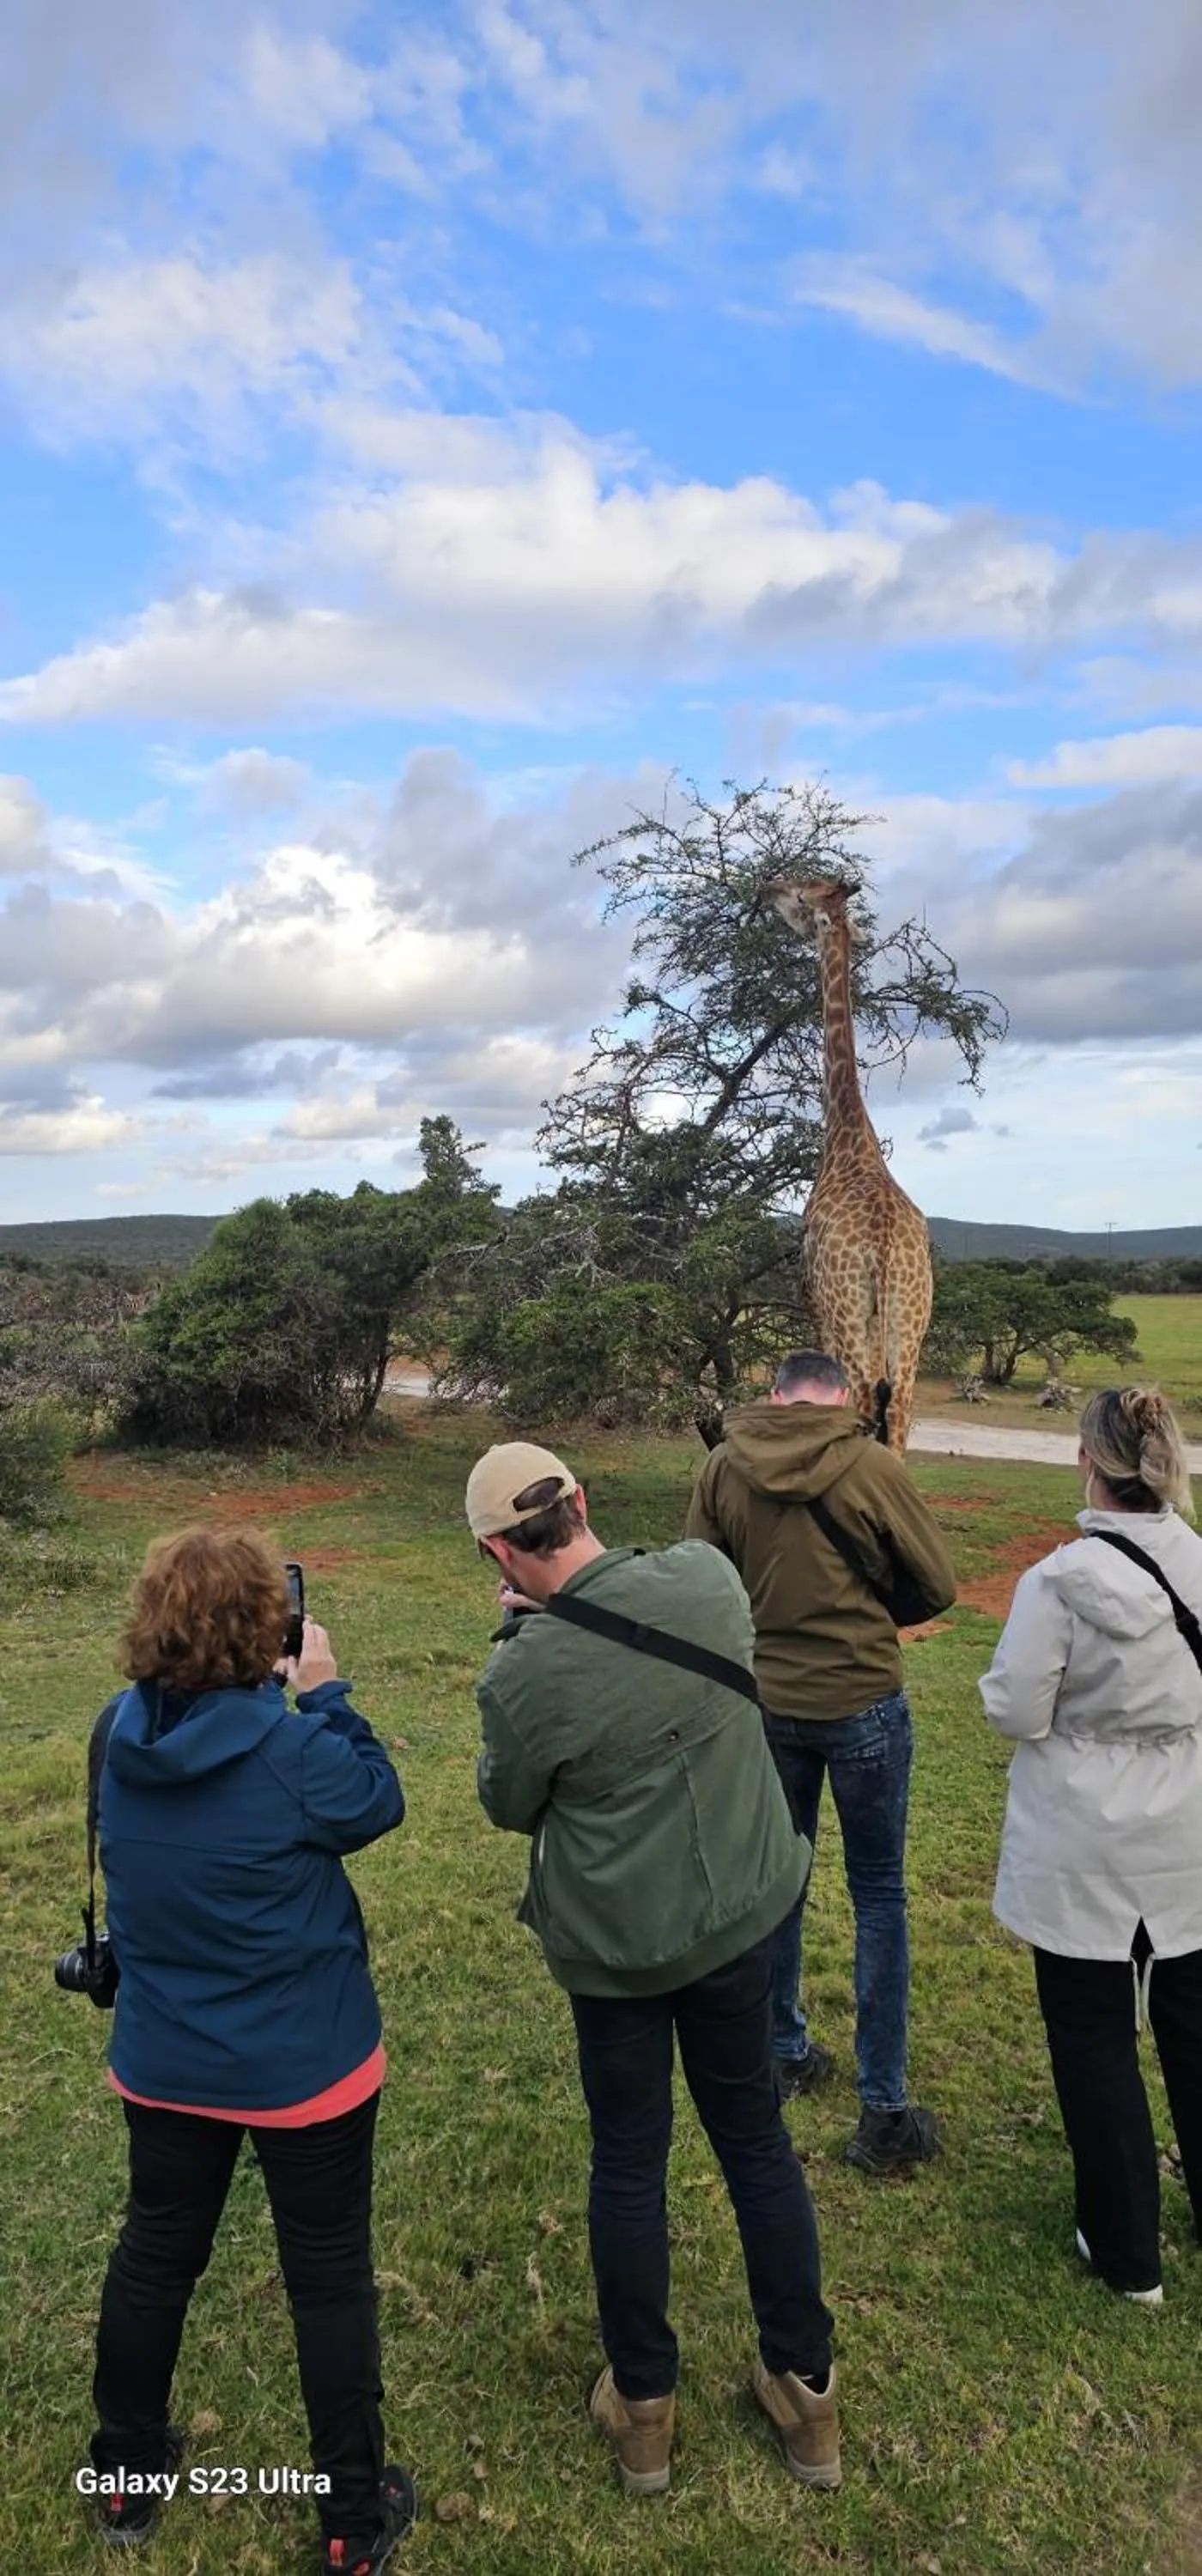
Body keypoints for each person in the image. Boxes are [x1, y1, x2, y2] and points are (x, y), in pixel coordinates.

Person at [466, 1441, 840, 2499]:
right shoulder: (704, 1578)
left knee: (627, 2162)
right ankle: (805, 2393)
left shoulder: (520, 1670)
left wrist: (522, 1629)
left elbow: (510, 1804)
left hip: (617, 1954)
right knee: (755, 2142)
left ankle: (643, 2414)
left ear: (496, 1550)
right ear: (580, 1503)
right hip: (738, 1921)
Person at [84, 1527, 416, 2574]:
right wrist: (323, 1689)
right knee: (326, 2279)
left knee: (154, 2256)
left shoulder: (112, 1735)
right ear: (263, 1629)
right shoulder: (295, 1750)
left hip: (167, 2059)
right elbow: (378, 1799)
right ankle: (351, 2519)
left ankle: (127, 2477)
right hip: (303, 2068)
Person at [684, 1349, 956, 2175]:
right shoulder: (871, 1462)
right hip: (865, 1700)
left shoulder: (724, 1467)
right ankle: (884, 2110)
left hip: (769, 1703)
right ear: (840, 1397)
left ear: (776, 1394)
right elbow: (938, 1584)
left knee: (779, 1882)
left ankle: (784, 2052)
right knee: (879, 1893)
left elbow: (702, 1581)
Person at [980, 1387, 1202, 2304]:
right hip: (1184, 1833)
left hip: (1080, 1844)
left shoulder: (1057, 1580)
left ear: (1087, 1462)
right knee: (1191, 2032)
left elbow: (1014, 1708)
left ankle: (1123, 2255)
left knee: (1091, 2038)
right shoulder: (1196, 1562)